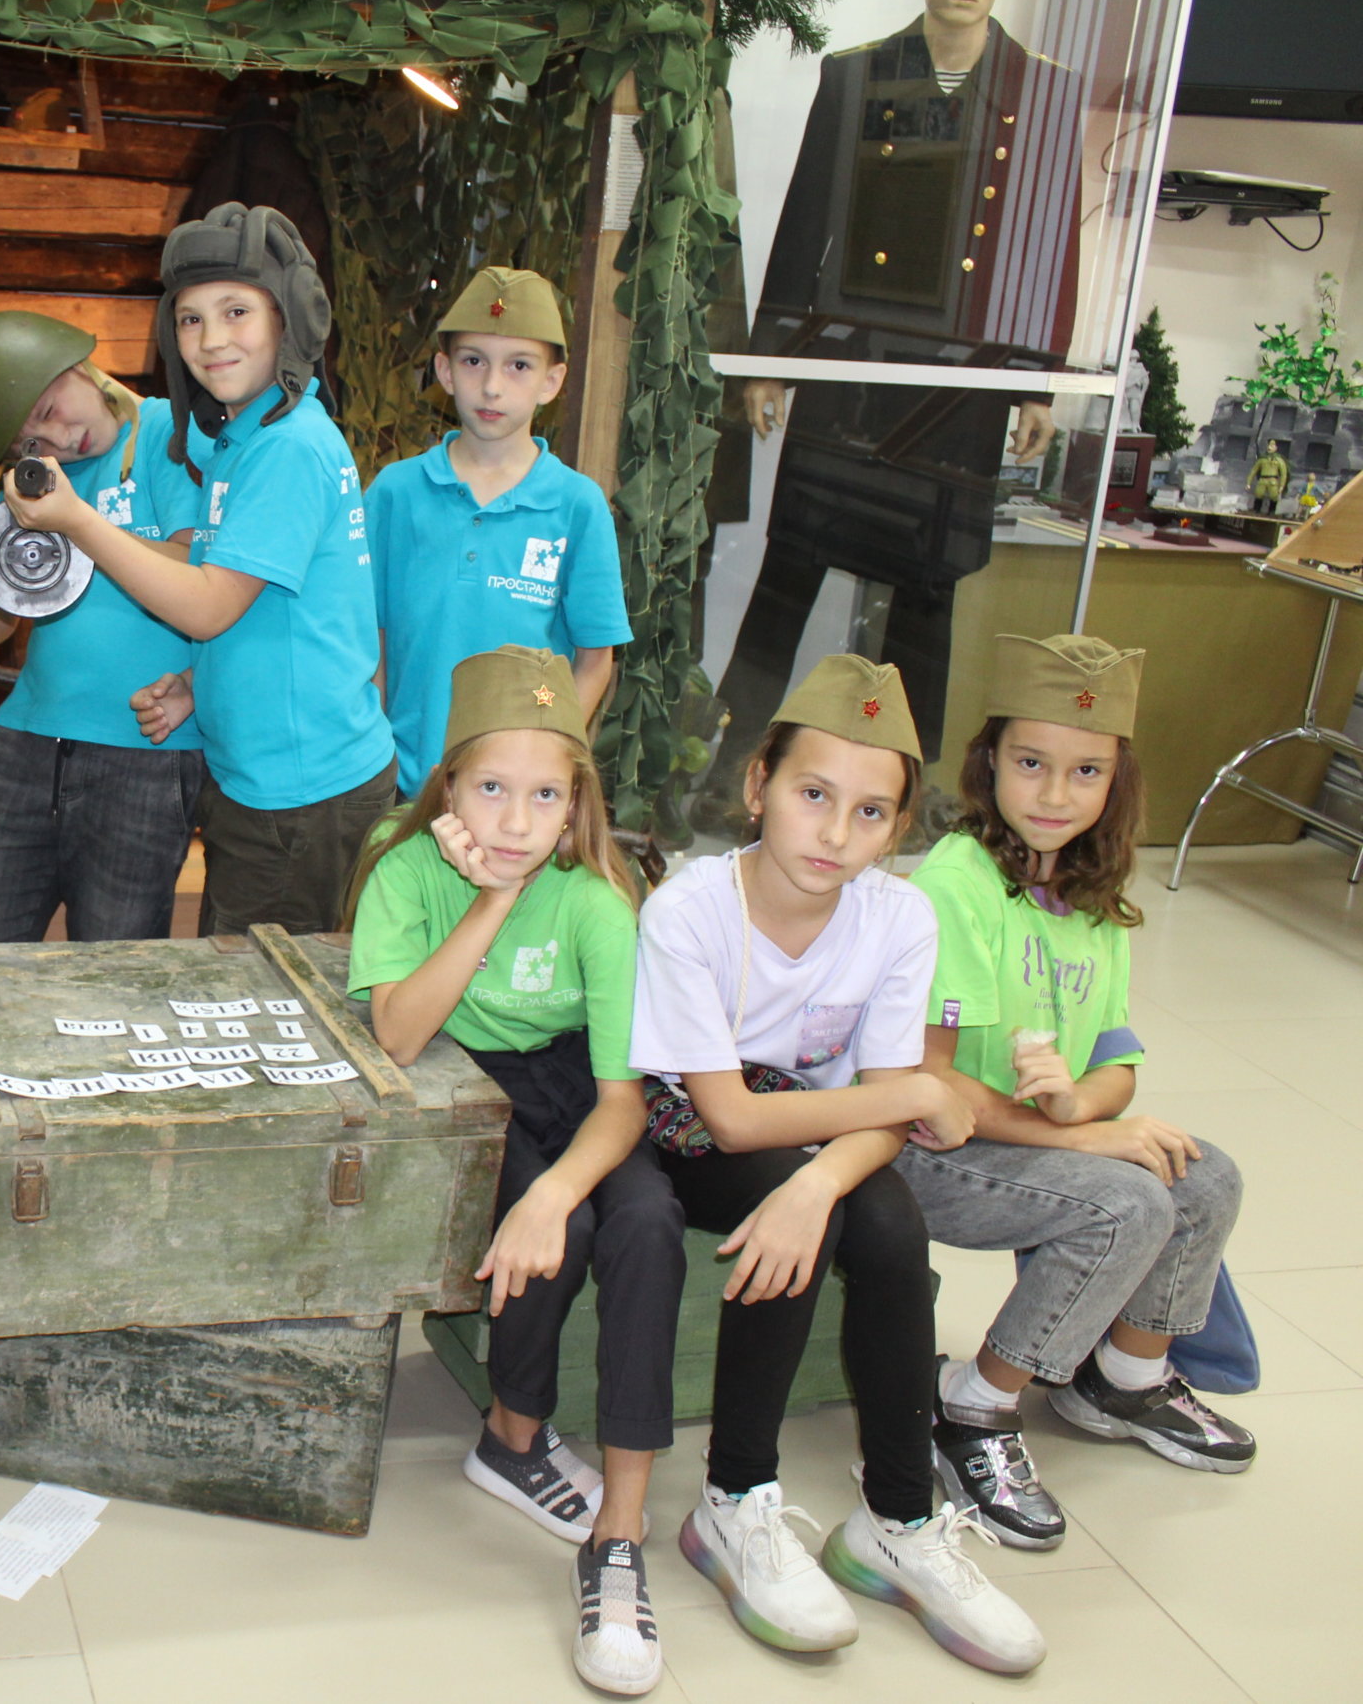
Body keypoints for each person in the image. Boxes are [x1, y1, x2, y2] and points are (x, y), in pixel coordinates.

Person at [631, 654, 1045, 1674]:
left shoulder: (898, 916)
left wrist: (821, 1178)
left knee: (892, 1225)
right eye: (812, 795)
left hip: (815, 1134)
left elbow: (889, 1108)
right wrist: (901, 1105)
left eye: (869, 813)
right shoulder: (687, 909)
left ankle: (898, 1522)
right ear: (756, 785)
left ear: (896, 830)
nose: (833, 833)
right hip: (684, 1125)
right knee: (790, 1204)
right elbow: (730, 1117)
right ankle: (732, 1499)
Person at [346, 646, 677, 1696]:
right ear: (449, 788)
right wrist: (488, 900)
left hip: (576, 1085)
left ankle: (621, 1529)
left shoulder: (597, 900)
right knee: (558, 1237)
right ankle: (511, 1437)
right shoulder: (406, 869)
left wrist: (554, 1186)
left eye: (545, 795)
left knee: (646, 1222)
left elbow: (622, 1099)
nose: (517, 821)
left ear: (576, 802)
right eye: (491, 788)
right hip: (461, 1073)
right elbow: (400, 1033)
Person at [906, 634, 1251, 1553]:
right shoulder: (956, 883)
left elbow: (1116, 1062)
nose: (1055, 794)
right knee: (1127, 1203)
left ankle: (1121, 1381)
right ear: (989, 761)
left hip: (1029, 1132)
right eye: (1031, 763)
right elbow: (928, 1080)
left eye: (1086, 771)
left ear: (1116, 780)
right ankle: (970, 1406)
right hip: (931, 1145)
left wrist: (1078, 1108)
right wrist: (1080, 1137)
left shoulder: (1094, 889)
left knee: (1206, 1177)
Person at [6, 202, 395, 936]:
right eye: (191, 319)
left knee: (263, 996)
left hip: (302, 794)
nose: (212, 339)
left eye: (236, 311)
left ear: (290, 317)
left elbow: (210, 605)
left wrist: (78, 521)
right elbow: (263, 602)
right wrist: (198, 682)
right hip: (267, 778)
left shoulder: (288, 448)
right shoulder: (242, 442)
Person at [717, 0, 1082, 776]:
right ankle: (734, 764)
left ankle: (903, 787)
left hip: (960, 384)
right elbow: (806, 214)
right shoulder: (856, 76)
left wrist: (1036, 382)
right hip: (855, 366)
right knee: (791, 566)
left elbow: (1046, 243)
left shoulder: (1042, 90)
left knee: (928, 591)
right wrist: (774, 356)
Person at [0, 309, 207, 941]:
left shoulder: (172, 435)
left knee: (114, 967)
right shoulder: (36, 484)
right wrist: (3, 535)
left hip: (147, 747)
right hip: (25, 742)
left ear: (79, 366)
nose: (58, 438)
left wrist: (77, 525)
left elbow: (199, 573)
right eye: (29, 443)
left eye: (50, 408)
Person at [369, 269, 631, 793]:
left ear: (552, 381)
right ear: (444, 370)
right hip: (403, 784)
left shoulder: (578, 506)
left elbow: (595, 661)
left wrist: (541, 768)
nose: (492, 386)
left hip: (513, 798)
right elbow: (368, 639)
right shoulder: (395, 492)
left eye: (519, 366)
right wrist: (376, 759)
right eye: (473, 361)